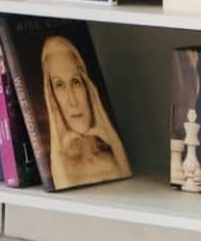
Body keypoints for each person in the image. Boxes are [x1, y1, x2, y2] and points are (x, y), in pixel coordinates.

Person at [34, 34, 129, 188]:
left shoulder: (111, 159)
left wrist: (114, 142)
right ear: (51, 97)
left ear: (88, 87)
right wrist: (57, 154)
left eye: (76, 82)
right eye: (59, 85)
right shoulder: (64, 166)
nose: (72, 101)